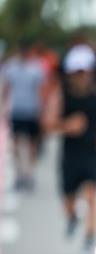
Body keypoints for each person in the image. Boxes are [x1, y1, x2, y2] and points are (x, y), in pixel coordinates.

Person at [42, 44, 96, 254]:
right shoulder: (61, 94)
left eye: (84, 71)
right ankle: (72, 217)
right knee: (68, 197)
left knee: (92, 196)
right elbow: (47, 123)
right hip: (70, 153)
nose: (81, 76)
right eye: (77, 72)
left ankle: (89, 241)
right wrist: (67, 125)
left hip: (92, 151)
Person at [0, 40, 46, 192]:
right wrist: (3, 107)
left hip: (32, 110)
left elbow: (41, 89)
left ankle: (29, 173)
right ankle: (20, 173)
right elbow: (6, 88)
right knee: (16, 143)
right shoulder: (11, 67)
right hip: (17, 110)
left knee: (32, 144)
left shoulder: (36, 68)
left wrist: (42, 110)